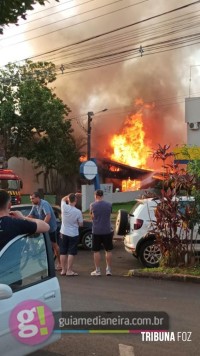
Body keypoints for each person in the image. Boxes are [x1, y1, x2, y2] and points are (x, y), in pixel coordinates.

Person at [28, 192, 61, 270]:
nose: (31, 200)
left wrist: (43, 226)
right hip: (44, 228)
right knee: (44, 244)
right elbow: (30, 215)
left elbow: (48, 216)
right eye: (30, 199)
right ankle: (47, 262)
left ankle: (60, 264)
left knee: (54, 245)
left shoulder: (44, 204)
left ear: (38, 198)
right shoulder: (35, 205)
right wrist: (22, 218)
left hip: (50, 228)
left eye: (32, 198)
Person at [90, 189, 113, 276]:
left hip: (96, 230)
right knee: (108, 250)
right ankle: (109, 270)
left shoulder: (92, 205)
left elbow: (92, 217)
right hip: (107, 230)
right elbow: (109, 215)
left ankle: (98, 270)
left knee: (96, 251)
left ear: (96, 196)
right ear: (102, 196)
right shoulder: (109, 205)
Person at [59, 193, 83, 276]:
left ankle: (63, 270)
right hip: (73, 233)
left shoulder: (64, 207)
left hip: (63, 232)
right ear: (76, 201)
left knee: (63, 252)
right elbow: (81, 224)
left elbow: (63, 199)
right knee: (71, 252)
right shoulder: (78, 212)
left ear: (68, 200)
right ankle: (69, 270)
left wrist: (71, 195)